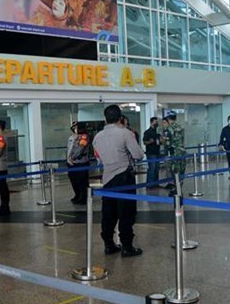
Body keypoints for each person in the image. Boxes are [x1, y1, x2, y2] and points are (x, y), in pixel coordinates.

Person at [93, 104, 144, 258]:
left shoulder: (97, 137)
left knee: (109, 213)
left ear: (105, 118)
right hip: (124, 177)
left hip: (107, 178)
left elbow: (99, 158)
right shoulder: (125, 133)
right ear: (120, 117)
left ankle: (109, 244)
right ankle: (127, 247)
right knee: (126, 212)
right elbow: (138, 155)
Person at [66, 121, 90, 205]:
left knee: (82, 181)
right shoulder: (72, 137)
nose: (74, 129)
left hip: (81, 162)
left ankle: (84, 197)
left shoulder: (84, 137)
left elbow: (80, 149)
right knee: (74, 180)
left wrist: (71, 158)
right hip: (71, 163)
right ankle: (77, 195)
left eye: (76, 128)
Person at [166, 113, 185, 195]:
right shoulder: (181, 127)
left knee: (175, 171)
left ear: (169, 119)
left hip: (175, 152)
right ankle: (180, 189)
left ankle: (176, 190)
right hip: (182, 151)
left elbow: (169, 141)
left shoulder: (170, 128)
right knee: (181, 171)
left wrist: (165, 142)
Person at [142, 117, 161, 188]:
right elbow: (144, 142)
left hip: (157, 152)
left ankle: (156, 183)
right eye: (155, 122)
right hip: (151, 153)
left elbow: (159, 141)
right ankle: (150, 184)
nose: (157, 123)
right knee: (152, 168)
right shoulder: (147, 132)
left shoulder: (157, 132)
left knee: (157, 168)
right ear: (151, 122)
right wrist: (150, 141)